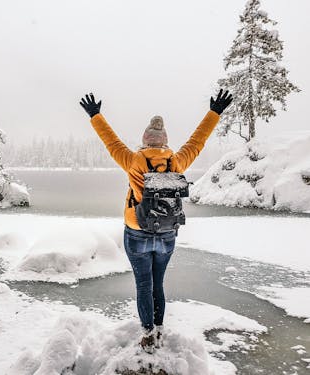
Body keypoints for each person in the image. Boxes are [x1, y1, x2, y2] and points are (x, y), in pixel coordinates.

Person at [79, 90, 233, 353]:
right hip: (166, 233)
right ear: (164, 141)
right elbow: (198, 141)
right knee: (157, 283)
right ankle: (158, 328)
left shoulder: (134, 160)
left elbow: (111, 142)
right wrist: (214, 112)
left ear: (145, 141)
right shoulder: (176, 160)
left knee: (143, 284)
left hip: (137, 231)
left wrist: (95, 116)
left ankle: (148, 333)